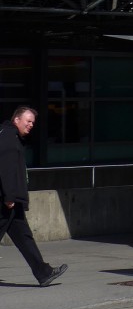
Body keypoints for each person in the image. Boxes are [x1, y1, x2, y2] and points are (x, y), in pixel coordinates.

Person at [0, 106, 67, 287]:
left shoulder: (9, 136)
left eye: (32, 123)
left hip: (12, 200)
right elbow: (6, 170)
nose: (31, 125)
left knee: (24, 237)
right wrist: (9, 196)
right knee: (24, 237)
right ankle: (42, 272)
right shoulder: (8, 138)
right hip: (7, 201)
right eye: (28, 121)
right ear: (17, 120)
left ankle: (43, 272)